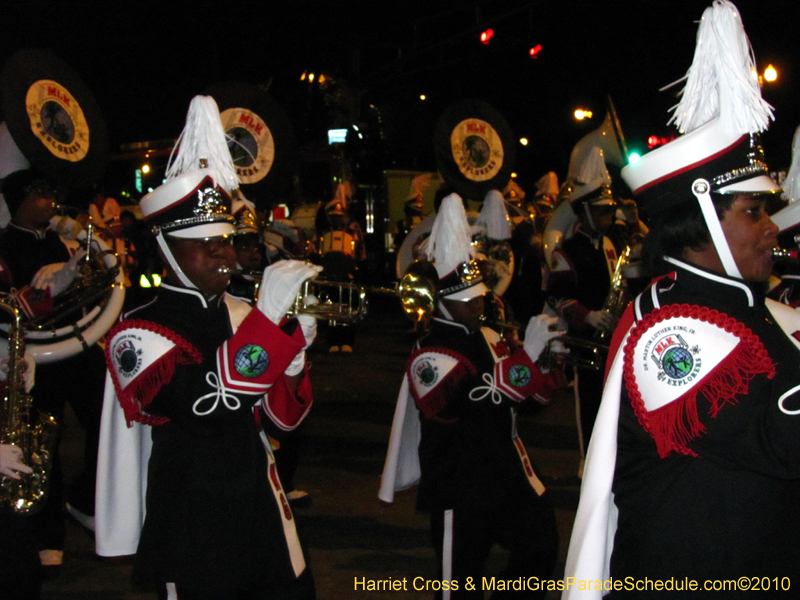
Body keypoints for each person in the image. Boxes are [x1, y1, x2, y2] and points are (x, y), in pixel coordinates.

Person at [564, 2, 800, 596]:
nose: (773, 228)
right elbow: (784, 436)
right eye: (753, 212)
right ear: (702, 224)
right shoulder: (671, 333)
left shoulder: (740, 305)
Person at [96, 96, 318, 599]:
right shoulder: (137, 331)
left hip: (265, 511)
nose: (225, 253)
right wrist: (267, 326)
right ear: (168, 250)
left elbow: (284, 422)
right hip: (195, 527)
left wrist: (295, 355)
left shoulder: (240, 312)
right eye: (208, 243)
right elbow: (205, 406)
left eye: (226, 240)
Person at [380, 193, 564, 599]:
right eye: (466, 298)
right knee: (459, 585)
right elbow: (470, 407)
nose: (478, 300)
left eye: (478, 292)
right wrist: (526, 359)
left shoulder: (489, 334)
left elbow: (526, 404)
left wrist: (546, 363)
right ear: (441, 302)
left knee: (540, 550)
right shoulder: (427, 353)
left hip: (508, 474)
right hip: (460, 484)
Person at [0, 168, 105, 576]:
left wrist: (88, 266)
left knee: (109, 422)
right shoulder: (4, 246)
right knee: (45, 439)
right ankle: (48, 536)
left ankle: (82, 498)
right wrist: (53, 286)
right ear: (22, 199)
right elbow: (14, 305)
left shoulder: (62, 242)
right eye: (43, 193)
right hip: (34, 357)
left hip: (77, 349)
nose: (51, 201)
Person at [545, 147, 619, 454]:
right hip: (585, 342)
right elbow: (556, 297)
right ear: (585, 212)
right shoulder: (567, 251)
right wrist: (586, 315)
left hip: (614, 339)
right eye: (603, 211)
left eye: (610, 210)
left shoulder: (613, 243)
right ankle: (588, 465)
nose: (610, 216)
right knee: (590, 409)